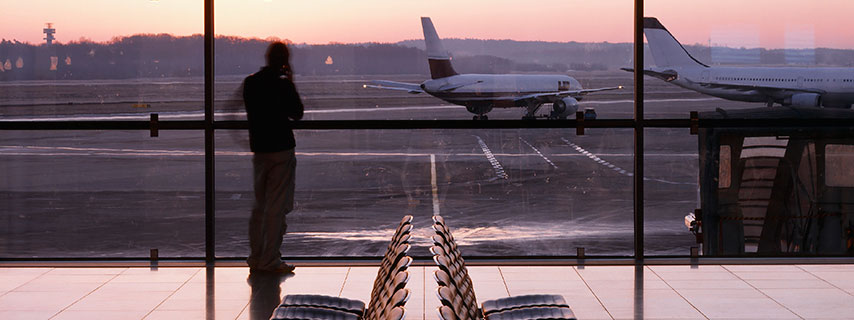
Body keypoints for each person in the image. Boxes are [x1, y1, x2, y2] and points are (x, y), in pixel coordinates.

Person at [243, 42, 304, 274]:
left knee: (260, 206)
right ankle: (270, 259)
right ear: (284, 60)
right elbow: (297, 113)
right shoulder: (282, 84)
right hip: (281, 149)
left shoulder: (251, 83)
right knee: (276, 208)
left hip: (259, 150)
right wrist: (290, 80)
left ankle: (256, 256)